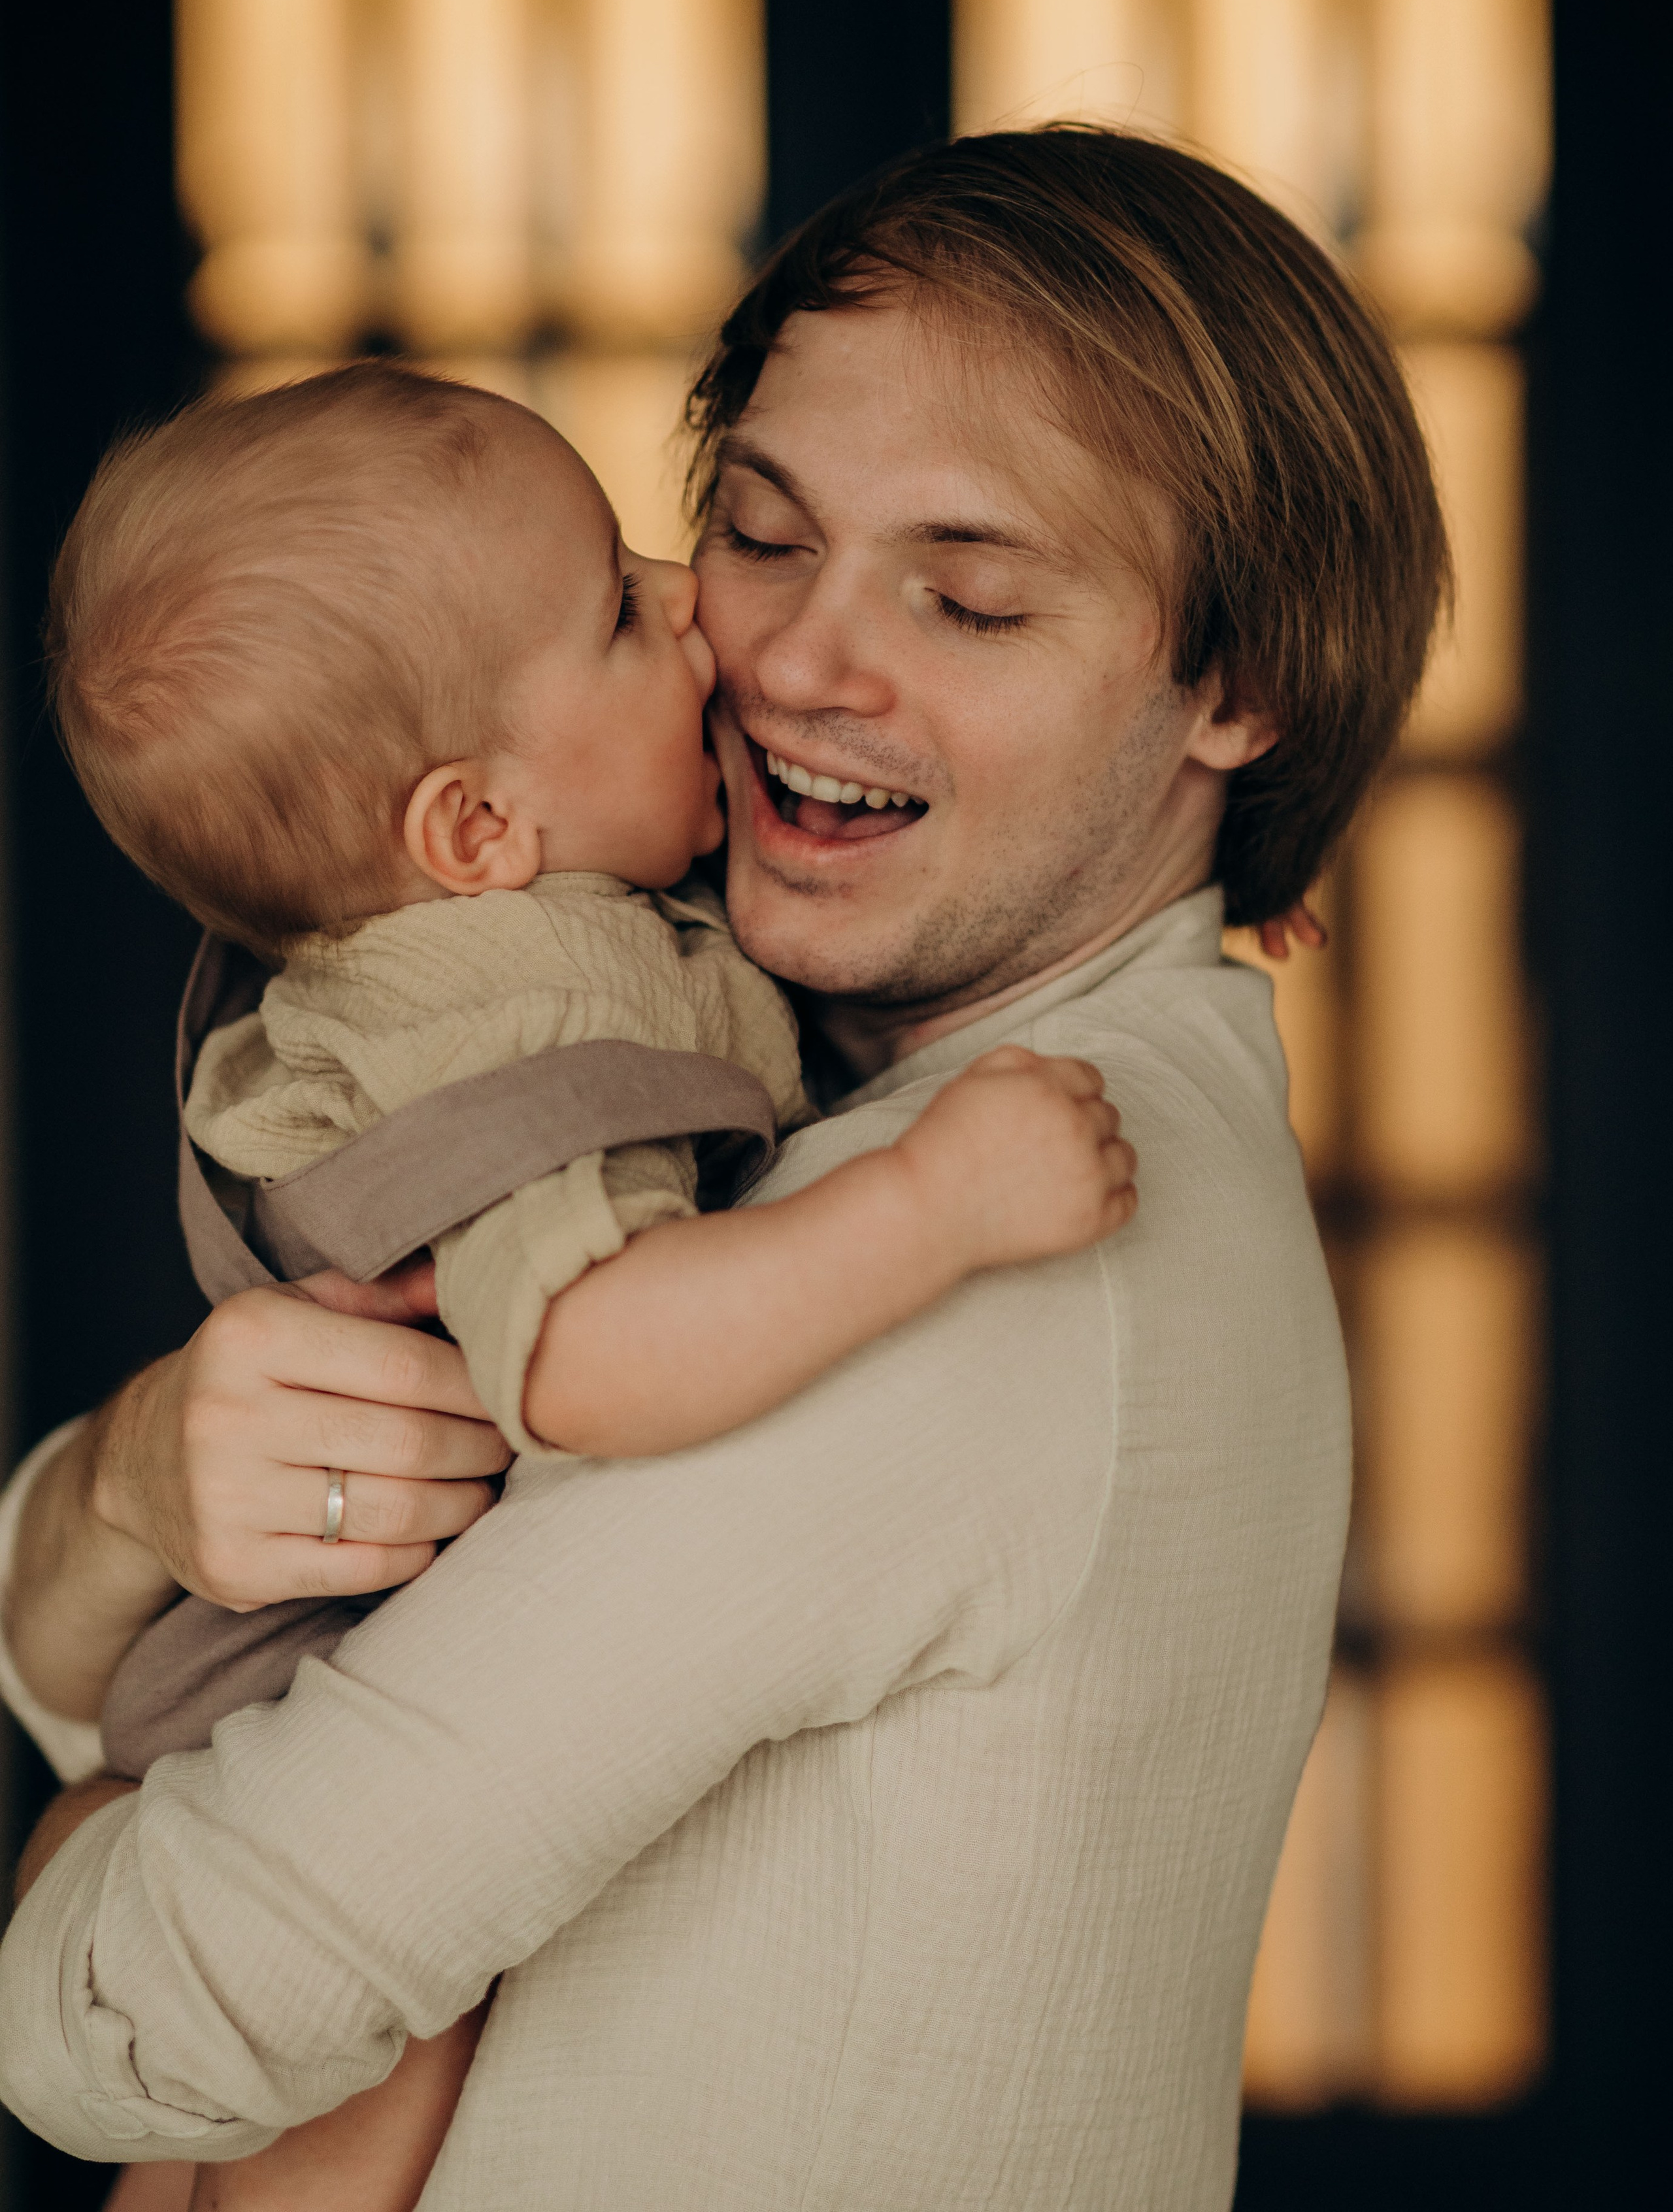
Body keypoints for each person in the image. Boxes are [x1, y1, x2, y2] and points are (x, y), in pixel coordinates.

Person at [0, 129, 1446, 2211]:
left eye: (965, 595)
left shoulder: (971, 1252)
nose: (784, 666)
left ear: (1245, 691)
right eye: (758, 536)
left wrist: (75, 1843)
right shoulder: (763, 1075)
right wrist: (131, 1481)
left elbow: (137, 2016)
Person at [33, 358, 1136, 2208]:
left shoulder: (536, 908)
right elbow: (587, 1359)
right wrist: (934, 1205)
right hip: (291, 1684)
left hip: (270, 1655)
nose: (699, 606)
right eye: (628, 613)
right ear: (475, 834)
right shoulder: (519, 1018)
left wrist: (1183, 879)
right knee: (362, 2072)